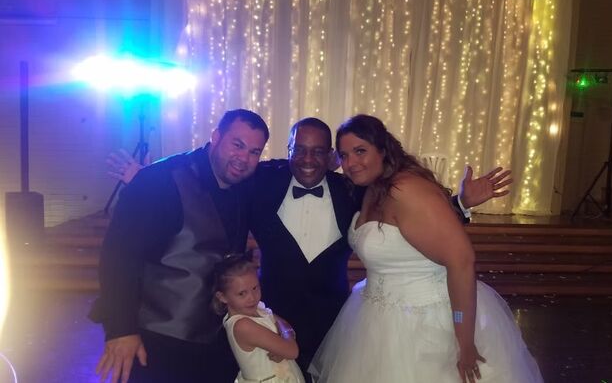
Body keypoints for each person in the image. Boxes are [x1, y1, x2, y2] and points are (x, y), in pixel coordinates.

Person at [106, 117, 513, 381]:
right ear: (286, 151)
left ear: (331, 157)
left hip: (338, 323)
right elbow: (209, 189)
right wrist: (151, 181)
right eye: (299, 149)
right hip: (270, 317)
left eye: (320, 151)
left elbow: (412, 223)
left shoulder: (353, 190)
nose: (307, 159)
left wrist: (460, 204)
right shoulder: (260, 183)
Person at [309, 114, 543, 383]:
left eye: (360, 151)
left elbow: (462, 261)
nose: (351, 163)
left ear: (383, 150)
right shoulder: (371, 186)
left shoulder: (405, 189)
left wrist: (464, 341)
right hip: (375, 316)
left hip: (427, 323)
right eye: (344, 155)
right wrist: (461, 203)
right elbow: (415, 232)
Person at [90, 109, 270, 383]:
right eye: (237, 145)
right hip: (158, 340)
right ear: (216, 137)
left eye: (254, 152)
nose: (244, 158)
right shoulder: (160, 181)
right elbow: (119, 258)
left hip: (217, 341)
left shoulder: (245, 183)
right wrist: (121, 330)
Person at [213, 252, 305, 383]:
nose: (252, 297)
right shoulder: (243, 326)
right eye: (242, 293)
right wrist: (286, 337)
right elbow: (293, 351)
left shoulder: (258, 309)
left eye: (255, 288)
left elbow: (284, 324)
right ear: (222, 297)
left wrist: (286, 336)